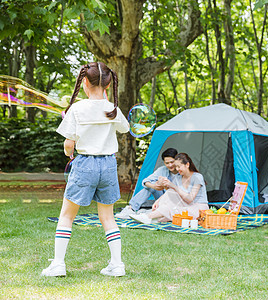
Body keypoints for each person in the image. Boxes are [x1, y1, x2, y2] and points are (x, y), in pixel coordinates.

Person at [41, 62, 129, 277]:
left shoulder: (77, 108)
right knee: (108, 217)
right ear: (108, 84)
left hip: (85, 164)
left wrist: (68, 152)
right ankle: (117, 265)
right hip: (108, 165)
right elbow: (125, 128)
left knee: (66, 216)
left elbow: (69, 145)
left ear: (85, 82)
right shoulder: (112, 109)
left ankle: (58, 264)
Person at [130, 153, 209, 224]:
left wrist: (173, 186)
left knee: (171, 205)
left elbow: (190, 198)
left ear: (187, 165)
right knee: (170, 199)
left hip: (198, 209)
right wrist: (158, 201)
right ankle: (151, 218)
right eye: (176, 167)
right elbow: (169, 192)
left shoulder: (197, 177)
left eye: (179, 166)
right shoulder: (178, 177)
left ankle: (148, 217)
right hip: (185, 206)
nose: (177, 169)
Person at [115, 148, 179, 219]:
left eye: (172, 162)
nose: (170, 165)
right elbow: (145, 182)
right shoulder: (163, 170)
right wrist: (154, 186)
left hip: (175, 201)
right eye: (167, 163)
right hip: (161, 199)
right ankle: (131, 209)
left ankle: (147, 213)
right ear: (164, 163)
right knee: (150, 185)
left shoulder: (182, 171)